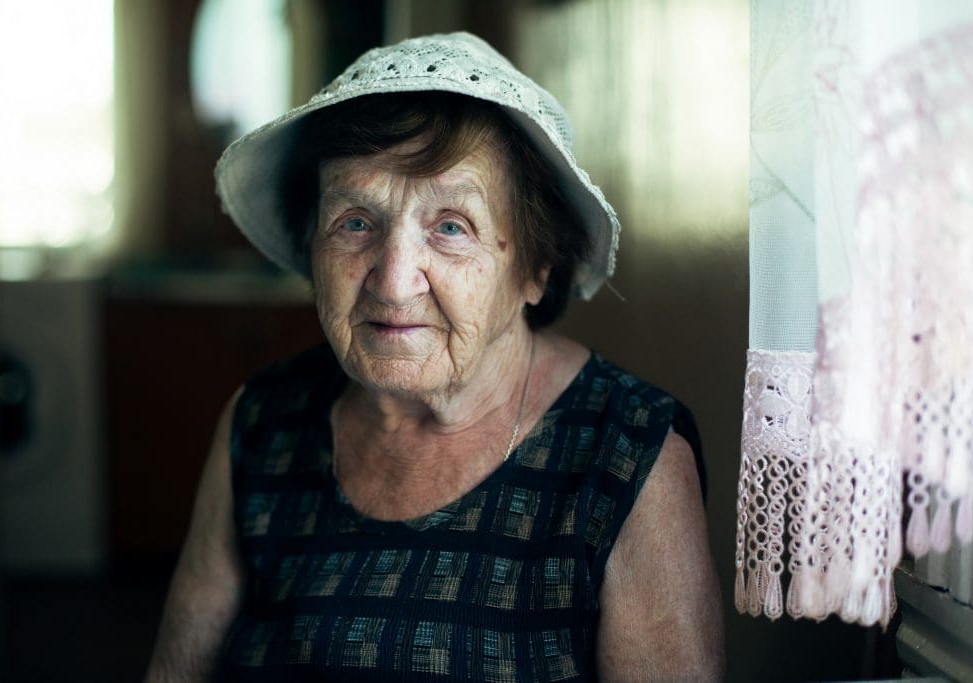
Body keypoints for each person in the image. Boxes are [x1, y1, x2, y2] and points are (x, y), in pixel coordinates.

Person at [146, 32, 724, 682]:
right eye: (355, 222)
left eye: (451, 226)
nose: (393, 281)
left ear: (535, 266)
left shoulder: (629, 456)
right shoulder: (260, 424)